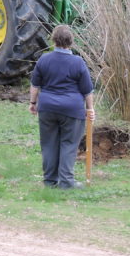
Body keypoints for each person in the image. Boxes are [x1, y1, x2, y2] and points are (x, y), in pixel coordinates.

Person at [28, 24, 95, 189]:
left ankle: (50, 181)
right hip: (72, 111)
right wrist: (90, 109)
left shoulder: (44, 59)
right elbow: (87, 90)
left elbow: (35, 85)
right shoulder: (78, 62)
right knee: (69, 144)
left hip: (47, 108)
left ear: (53, 41)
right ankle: (66, 181)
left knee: (49, 144)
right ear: (71, 42)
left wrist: (33, 103)